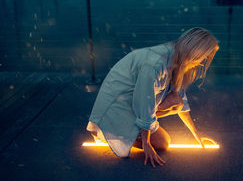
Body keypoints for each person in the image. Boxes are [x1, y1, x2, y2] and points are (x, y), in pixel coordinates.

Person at [86, 27, 219, 167]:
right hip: (116, 107)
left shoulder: (175, 57)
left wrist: (197, 136)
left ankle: (125, 129)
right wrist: (146, 144)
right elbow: (145, 103)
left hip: (131, 102)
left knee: (177, 102)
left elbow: (180, 101)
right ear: (195, 52)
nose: (202, 63)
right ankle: (105, 132)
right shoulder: (156, 64)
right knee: (163, 142)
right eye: (203, 58)